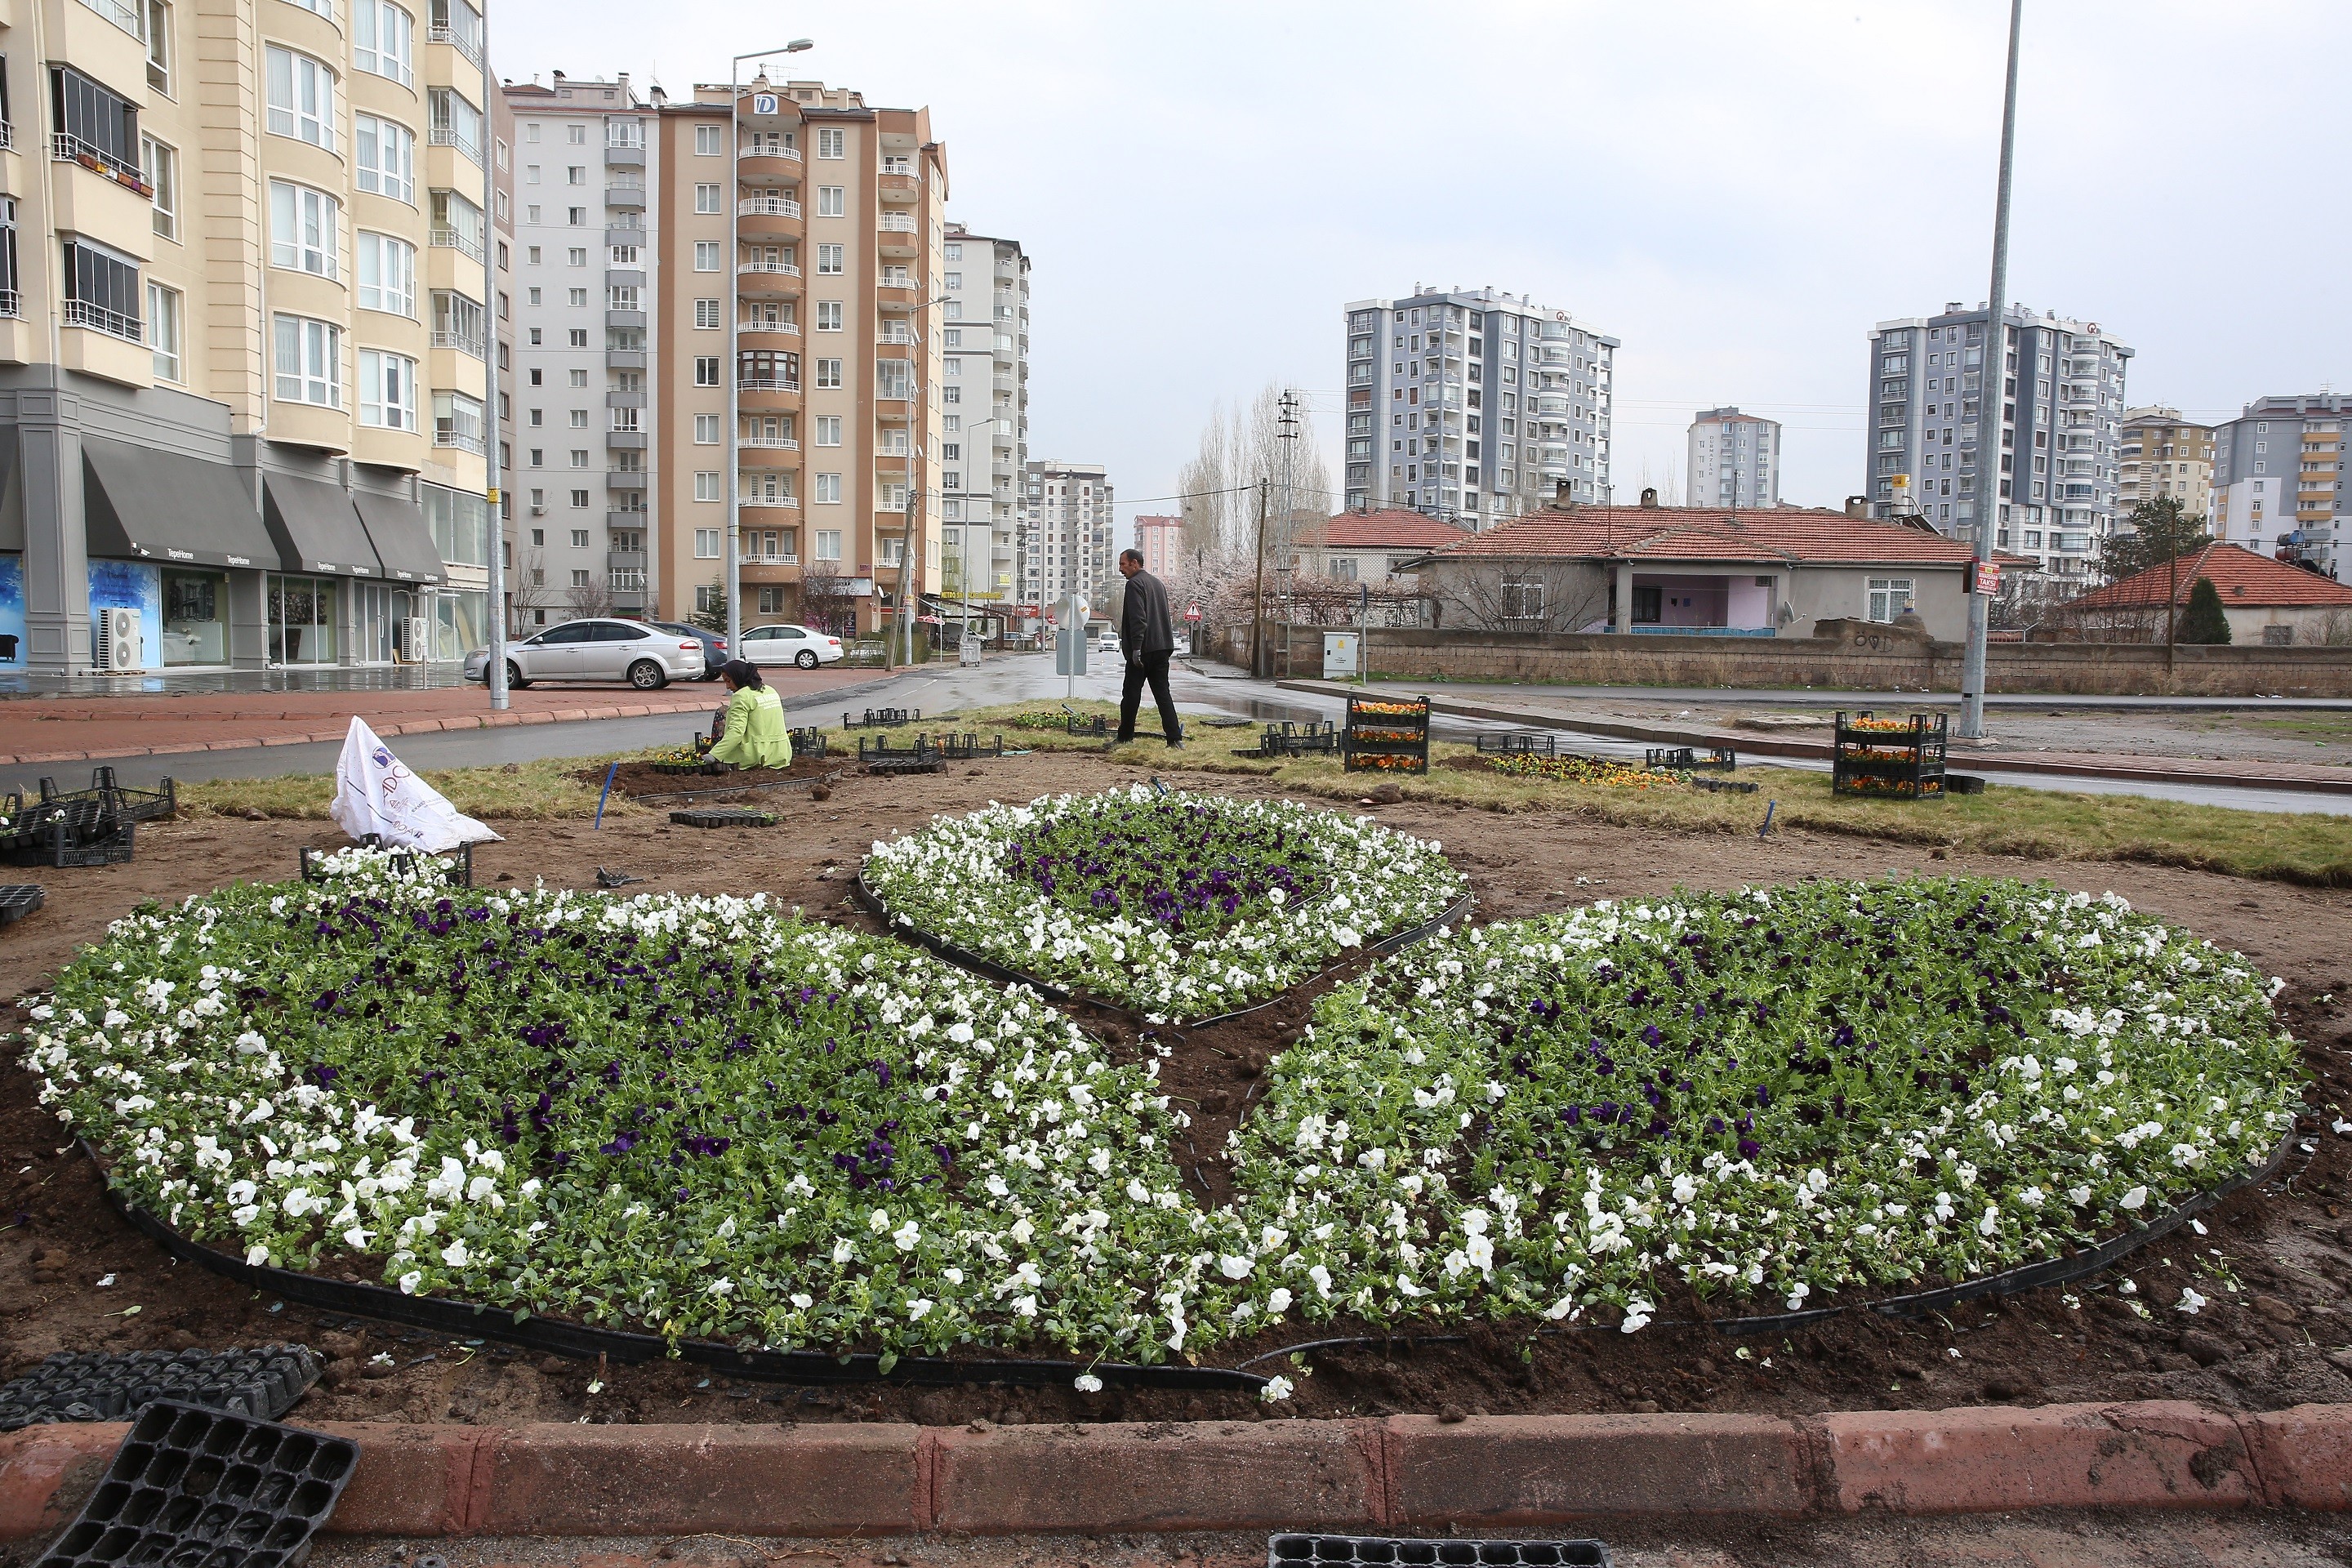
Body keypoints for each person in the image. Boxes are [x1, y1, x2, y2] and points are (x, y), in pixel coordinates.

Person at [1114, 547, 1182, 748]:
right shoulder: (1157, 583)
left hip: (1143, 650)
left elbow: (1138, 619)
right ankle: (1175, 739)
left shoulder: (1134, 585)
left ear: (1135, 563)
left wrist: (1136, 649)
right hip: (1162, 648)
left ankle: (1125, 738)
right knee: (1163, 694)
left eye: (1123, 564)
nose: (1120, 570)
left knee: (1131, 695)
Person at [705, 658, 794, 769]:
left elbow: (736, 731)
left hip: (756, 756)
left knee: (722, 712)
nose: (727, 686)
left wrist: (714, 755)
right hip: (781, 753)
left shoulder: (741, 696)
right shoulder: (770, 690)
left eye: (728, 681)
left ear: (738, 676)